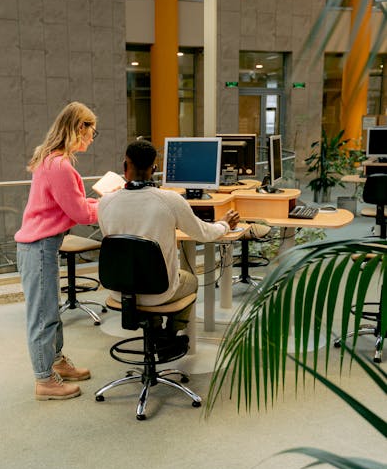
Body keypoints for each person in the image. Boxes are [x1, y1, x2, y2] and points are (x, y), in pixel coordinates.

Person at [98, 139, 240, 356]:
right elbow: (203, 233)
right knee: (190, 280)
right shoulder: (170, 200)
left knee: (144, 274)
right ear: (154, 169)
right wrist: (224, 224)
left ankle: (154, 331)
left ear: (124, 167)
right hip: (160, 292)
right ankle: (170, 335)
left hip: (119, 292)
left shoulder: (105, 203)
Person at [15, 101, 99, 401]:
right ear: (80, 128)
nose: (92, 137)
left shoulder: (52, 159)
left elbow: (73, 207)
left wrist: (105, 203)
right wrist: (112, 203)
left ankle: (57, 361)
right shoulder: (59, 166)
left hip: (41, 246)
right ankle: (44, 381)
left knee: (50, 310)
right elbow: (81, 214)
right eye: (92, 131)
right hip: (38, 247)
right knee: (42, 315)